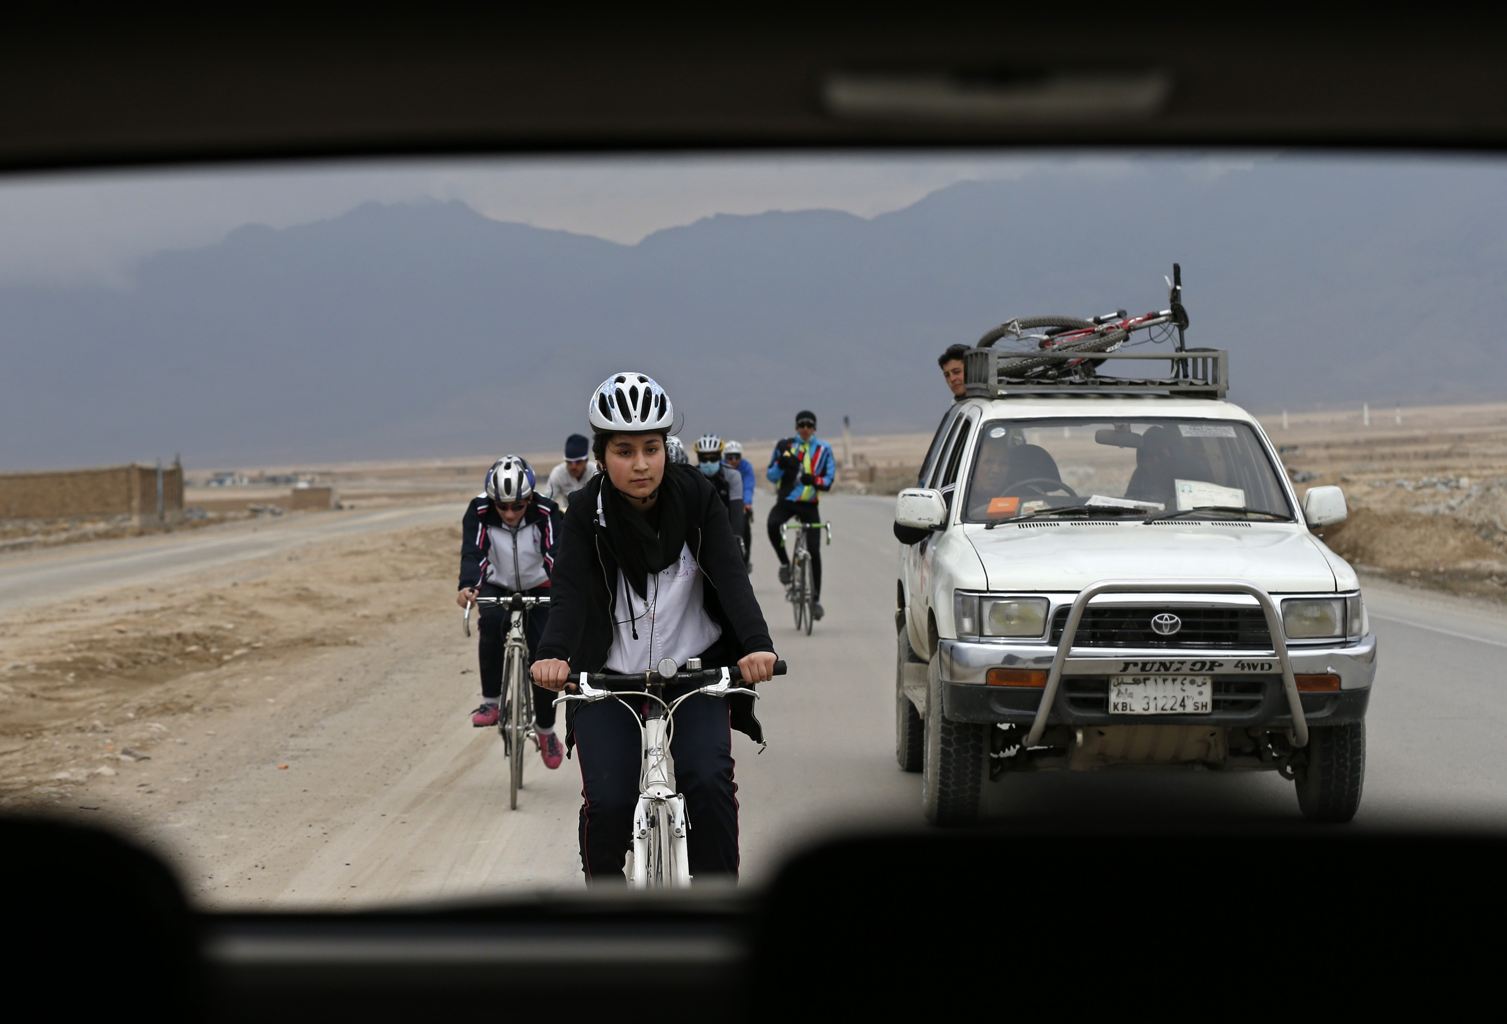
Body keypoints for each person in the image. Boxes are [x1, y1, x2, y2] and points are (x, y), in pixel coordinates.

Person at [531, 371, 778, 884]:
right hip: (607, 678)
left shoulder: (697, 499)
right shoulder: (584, 513)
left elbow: (732, 578)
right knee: (609, 800)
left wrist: (756, 646)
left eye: (651, 447)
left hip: (696, 670)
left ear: (666, 447)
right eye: (624, 451)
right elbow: (570, 590)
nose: (641, 464)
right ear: (602, 455)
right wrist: (553, 652)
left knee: (708, 782)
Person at [456, 454, 568, 769]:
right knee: (489, 621)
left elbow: (555, 553)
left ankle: (546, 731)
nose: (508, 513)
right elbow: (473, 552)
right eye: (501, 506)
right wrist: (469, 586)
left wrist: (562, 589)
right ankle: (491, 701)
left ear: (529, 498)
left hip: (540, 585)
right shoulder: (478, 511)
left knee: (545, 656)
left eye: (517, 506)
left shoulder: (546, 511)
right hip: (498, 583)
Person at [766, 410, 836, 621]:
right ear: (796, 427)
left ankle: (814, 600)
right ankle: (786, 565)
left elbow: (829, 480)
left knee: (814, 550)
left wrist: (814, 480)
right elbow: (771, 474)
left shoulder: (824, 449)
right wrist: (781, 465)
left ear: (814, 428)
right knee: (773, 524)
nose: (805, 429)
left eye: (809, 425)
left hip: (809, 505)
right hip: (786, 502)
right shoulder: (785, 446)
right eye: (801, 425)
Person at [693, 433, 746, 544]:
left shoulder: (732, 475)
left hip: (725, 522)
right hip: (699, 526)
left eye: (713, 458)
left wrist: (736, 536)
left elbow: (736, 508)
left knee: (743, 525)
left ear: (720, 457)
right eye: (703, 459)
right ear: (698, 458)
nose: (708, 463)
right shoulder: (692, 476)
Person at [540, 432, 598, 510]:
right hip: (568, 515)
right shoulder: (558, 473)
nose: (573, 467)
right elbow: (547, 500)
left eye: (578, 462)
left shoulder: (595, 472)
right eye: (569, 462)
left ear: (586, 460)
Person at [722, 440, 756, 571]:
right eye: (730, 457)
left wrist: (746, 503)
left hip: (740, 503)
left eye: (737, 457)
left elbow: (748, 486)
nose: (733, 460)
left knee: (745, 530)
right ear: (725, 458)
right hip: (723, 504)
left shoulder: (746, 467)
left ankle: (745, 560)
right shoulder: (720, 468)